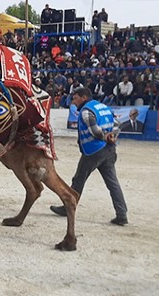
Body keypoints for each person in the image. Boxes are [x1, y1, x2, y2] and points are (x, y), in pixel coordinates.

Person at [50, 87, 128, 226]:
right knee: (112, 183)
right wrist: (112, 136)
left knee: (79, 179)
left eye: (75, 98)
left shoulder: (86, 111)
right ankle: (122, 214)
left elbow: (95, 132)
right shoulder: (103, 107)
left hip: (93, 151)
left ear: (84, 97)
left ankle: (68, 207)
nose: (73, 102)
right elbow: (117, 124)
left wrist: (105, 137)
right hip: (109, 150)